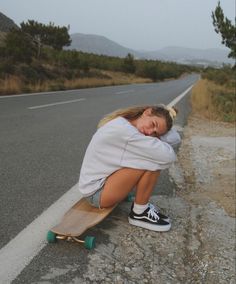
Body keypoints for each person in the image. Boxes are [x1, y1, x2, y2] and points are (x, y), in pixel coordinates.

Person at [78, 104, 181, 232]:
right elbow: (169, 156)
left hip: (101, 183)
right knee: (153, 161)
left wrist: (163, 123)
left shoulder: (125, 122)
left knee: (152, 155)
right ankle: (139, 213)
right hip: (97, 193)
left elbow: (175, 139)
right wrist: (159, 136)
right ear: (147, 112)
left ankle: (140, 208)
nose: (150, 133)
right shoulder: (127, 133)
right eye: (153, 124)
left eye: (155, 133)